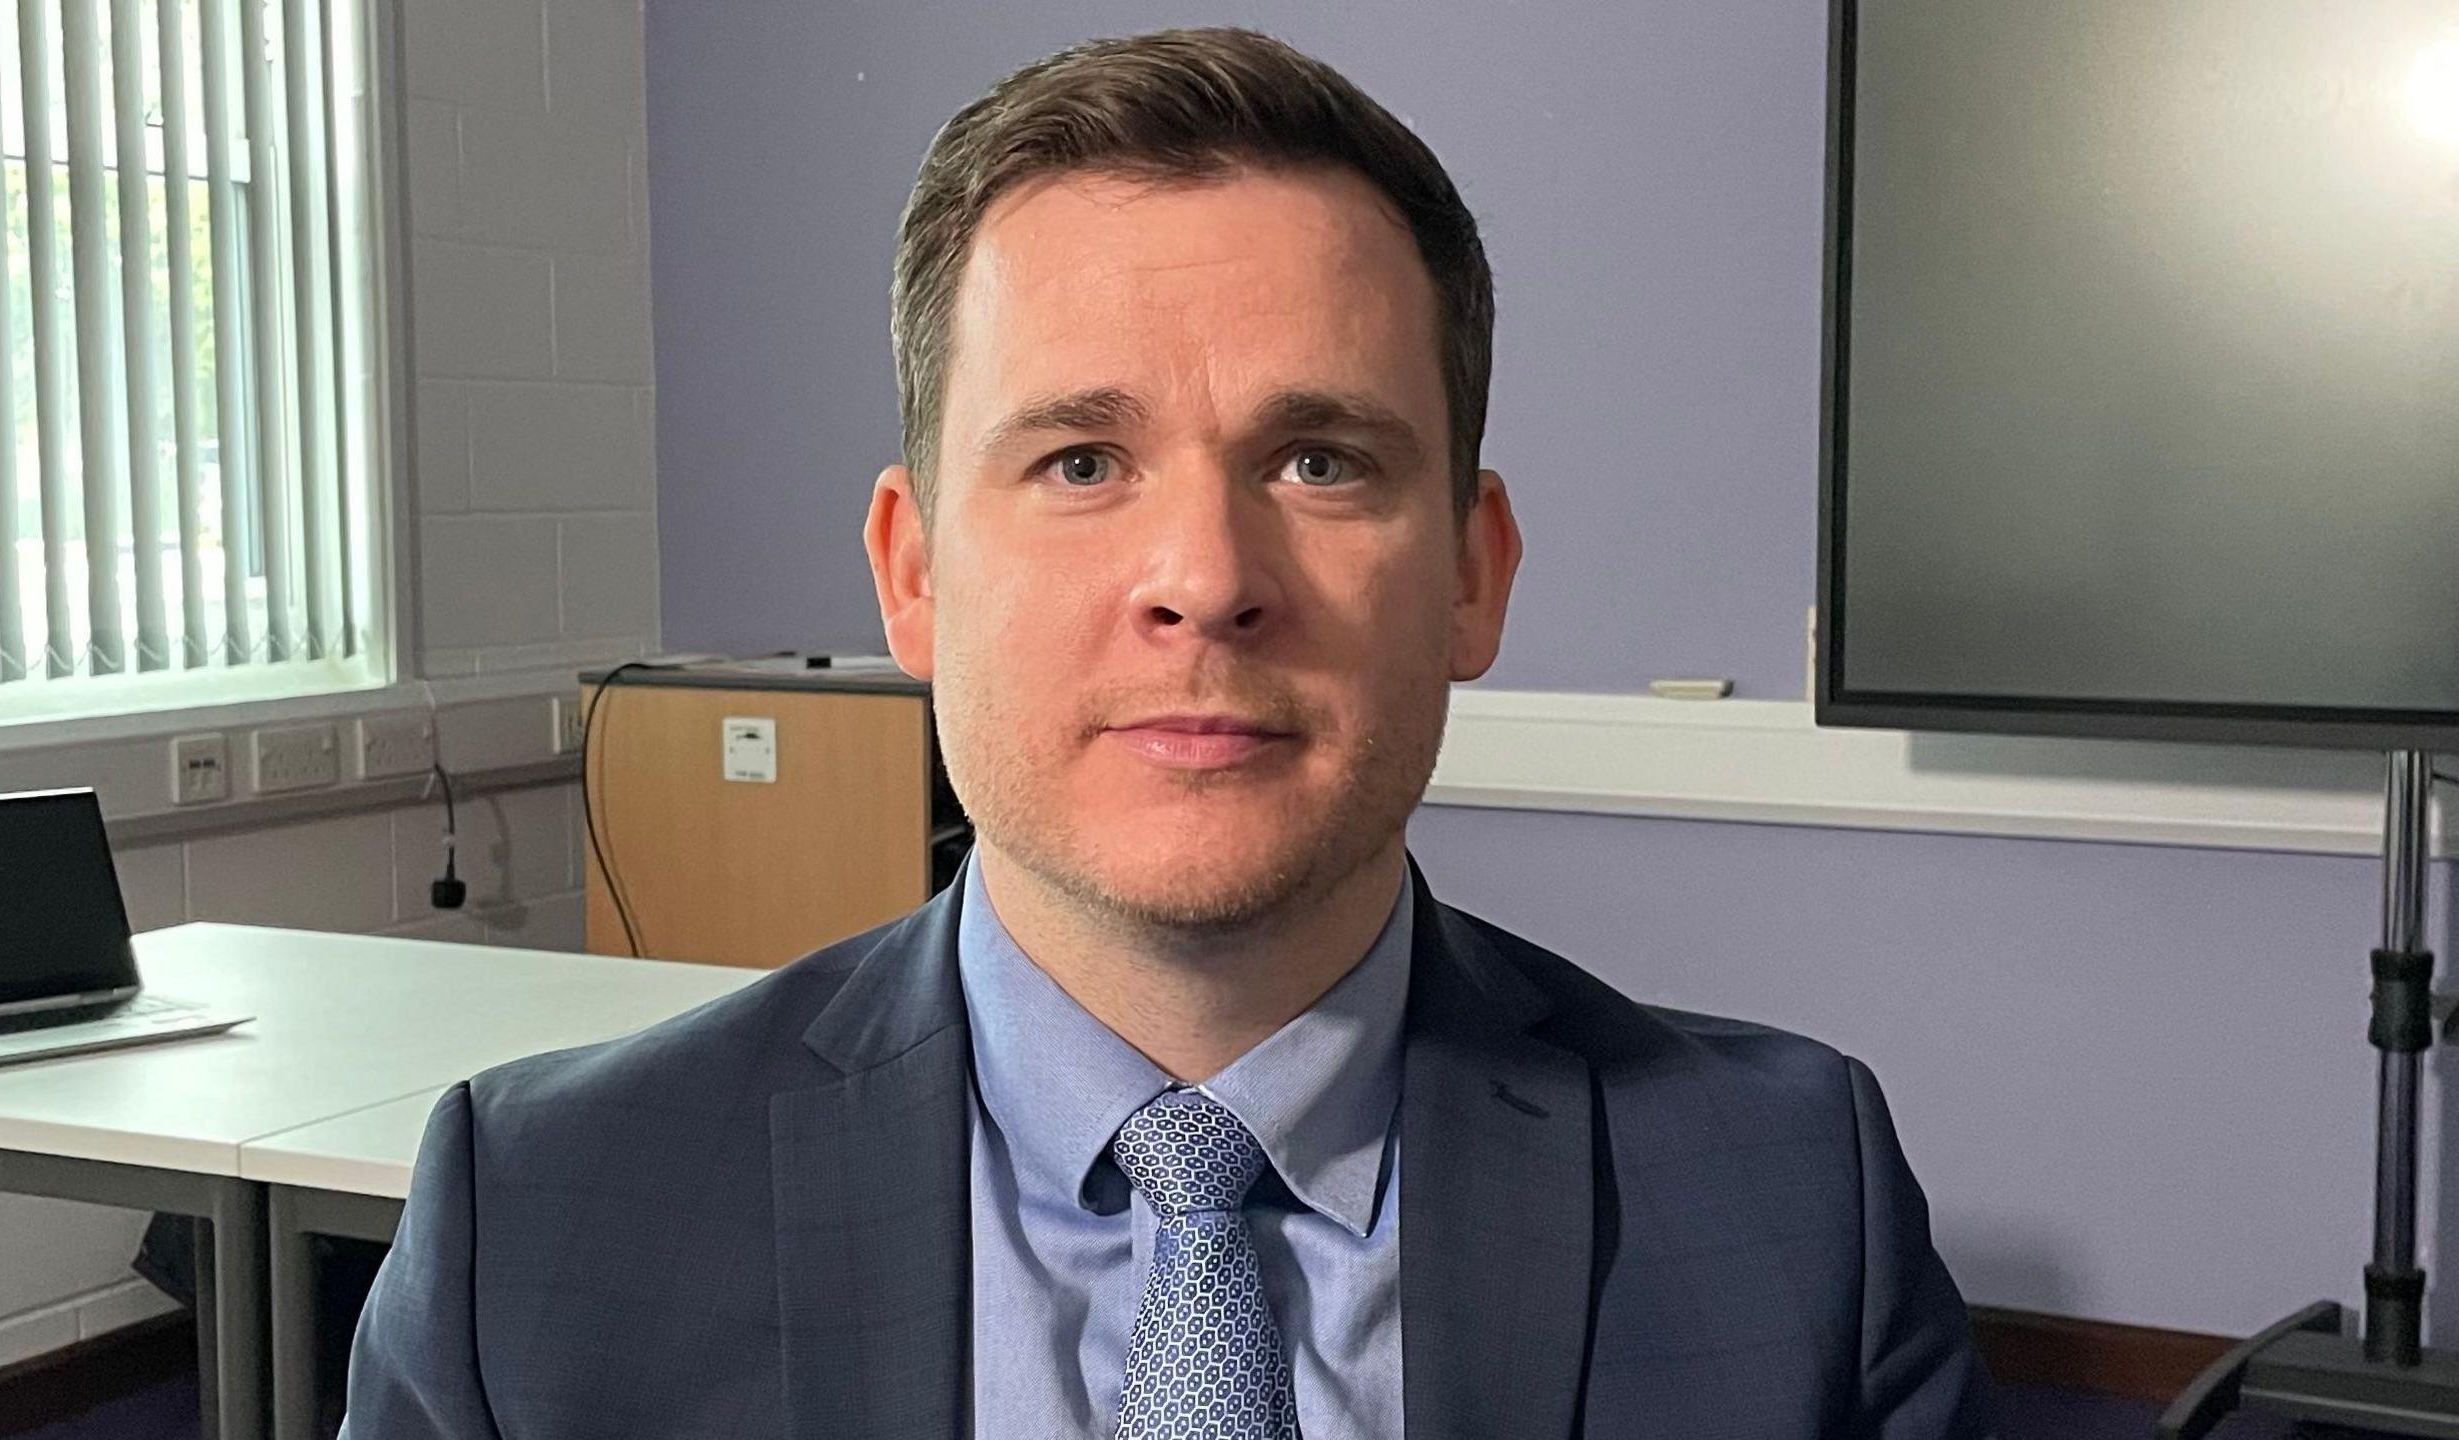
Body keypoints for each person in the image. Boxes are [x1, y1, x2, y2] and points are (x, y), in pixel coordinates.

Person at [342, 25, 1996, 1439]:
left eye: (1322, 461)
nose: (1205, 580)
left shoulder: (1790, 1208)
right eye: (1079, 462)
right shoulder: (542, 1225)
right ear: (913, 578)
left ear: (1474, 580)